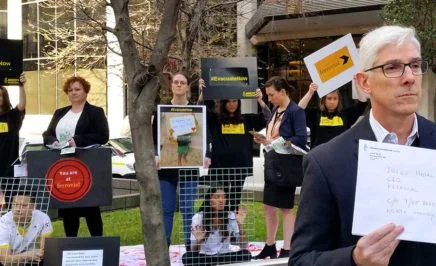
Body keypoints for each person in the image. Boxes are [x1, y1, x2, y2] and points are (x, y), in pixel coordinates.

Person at [289, 25, 435, 266]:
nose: (409, 77)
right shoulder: (326, 162)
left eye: (415, 65)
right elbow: (302, 260)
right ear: (364, 83)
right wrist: (354, 259)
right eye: (393, 67)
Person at [42, 76, 109, 237]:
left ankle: (98, 243)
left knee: (90, 206)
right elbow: (47, 134)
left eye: (77, 89)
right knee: (68, 206)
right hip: (63, 165)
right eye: (70, 90)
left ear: (86, 91)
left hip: (85, 164)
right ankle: (71, 244)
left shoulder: (95, 112)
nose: (73, 93)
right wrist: (54, 141)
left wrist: (77, 140)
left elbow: (102, 136)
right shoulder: (60, 112)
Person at [153, 73, 211, 249]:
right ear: (171, 86)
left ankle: (189, 246)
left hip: (189, 166)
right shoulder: (161, 110)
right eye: (176, 82)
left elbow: (204, 136)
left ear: (187, 87)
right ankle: (165, 246)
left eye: (182, 83)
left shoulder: (196, 110)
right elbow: (154, 137)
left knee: (188, 210)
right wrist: (156, 155)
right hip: (167, 167)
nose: (179, 85)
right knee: (167, 209)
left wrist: (206, 155)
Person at [253, 76, 307, 259]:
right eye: (268, 95)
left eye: (272, 94)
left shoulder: (296, 111)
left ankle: (287, 248)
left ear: (283, 92)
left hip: (286, 166)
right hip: (271, 162)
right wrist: (263, 138)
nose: (270, 98)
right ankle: (269, 246)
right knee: (268, 206)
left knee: (285, 208)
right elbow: (272, 130)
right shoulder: (276, 109)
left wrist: (275, 142)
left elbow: (300, 138)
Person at [202, 79, 271, 211]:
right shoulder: (216, 120)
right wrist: (202, 93)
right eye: (228, 101)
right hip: (220, 166)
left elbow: (268, 117)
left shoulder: (247, 119)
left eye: (235, 101)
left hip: (240, 165)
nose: (232, 104)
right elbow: (200, 112)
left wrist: (260, 100)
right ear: (223, 103)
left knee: (234, 199)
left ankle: (231, 226)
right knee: (217, 197)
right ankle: (206, 222)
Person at [182, 184, 252, 265]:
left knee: (246, 254)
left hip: (224, 256)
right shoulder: (198, 218)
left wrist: (240, 225)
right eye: (217, 197)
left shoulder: (231, 216)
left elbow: (243, 246)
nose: (221, 200)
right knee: (187, 258)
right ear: (210, 201)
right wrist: (198, 241)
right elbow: (194, 251)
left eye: (224, 197)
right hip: (205, 256)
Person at [298, 83, 368, 148]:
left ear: (339, 100)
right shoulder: (315, 114)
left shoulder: (346, 114)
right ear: (323, 100)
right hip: (319, 156)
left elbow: (362, 103)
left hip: (340, 155)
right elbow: (299, 109)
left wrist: (357, 84)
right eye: (329, 98)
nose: (332, 102)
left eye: (335, 98)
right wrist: (310, 92)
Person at [0, 190, 52, 266]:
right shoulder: (3, 224)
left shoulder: (43, 219)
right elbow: (5, 260)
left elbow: (44, 251)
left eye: (24, 206)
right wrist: (26, 256)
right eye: (15, 204)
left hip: (31, 258)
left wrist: (38, 254)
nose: (17, 209)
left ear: (33, 207)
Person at [0, 74, 26, 205]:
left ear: (4, 98)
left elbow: (21, 105)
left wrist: (21, 86)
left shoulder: (12, 116)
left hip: (10, 169)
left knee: (10, 204)